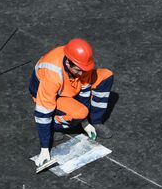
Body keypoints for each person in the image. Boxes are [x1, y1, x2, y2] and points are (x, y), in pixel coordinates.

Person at [29, 38, 113, 167]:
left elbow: (84, 91)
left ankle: (96, 122)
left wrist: (86, 123)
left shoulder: (81, 64)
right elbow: (43, 113)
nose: (82, 73)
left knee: (105, 76)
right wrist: (45, 148)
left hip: (70, 88)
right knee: (79, 112)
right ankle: (55, 126)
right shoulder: (52, 74)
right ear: (68, 63)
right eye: (78, 71)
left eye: (84, 70)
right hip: (53, 95)